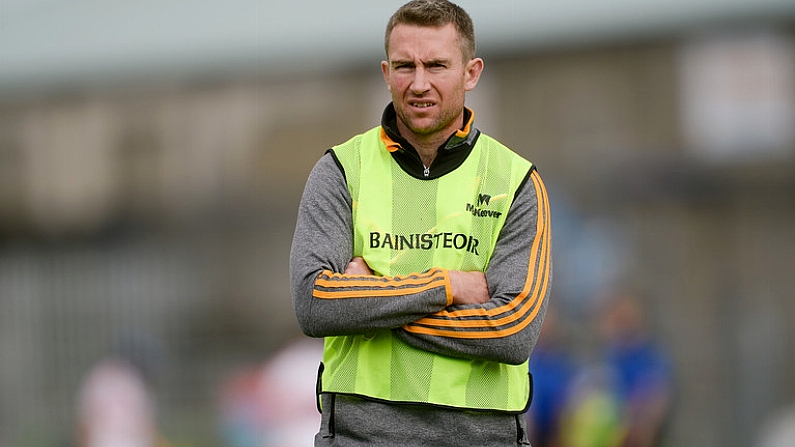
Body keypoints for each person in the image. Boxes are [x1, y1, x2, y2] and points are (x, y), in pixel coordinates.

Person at [290, 1, 552, 445]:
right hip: (359, 436)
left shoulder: (516, 181)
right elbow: (315, 303)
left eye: (436, 65)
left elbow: (511, 331)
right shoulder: (340, 169)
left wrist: (371, 307)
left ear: (471, 73)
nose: (419, 83)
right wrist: (448, 286)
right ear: (386, 72)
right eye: (404, 66)